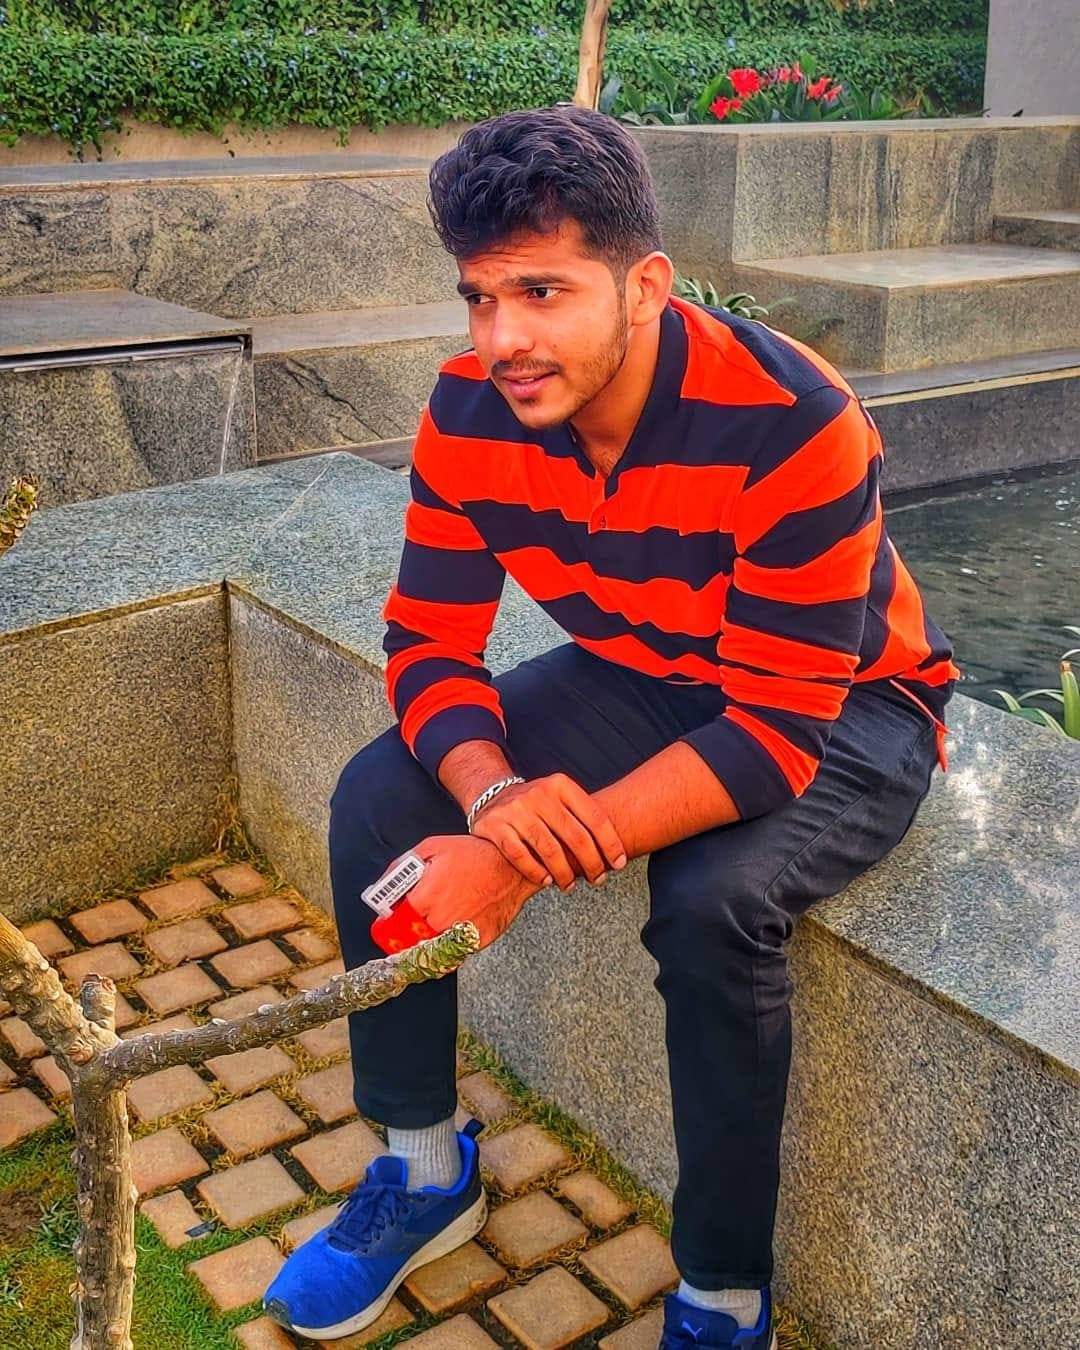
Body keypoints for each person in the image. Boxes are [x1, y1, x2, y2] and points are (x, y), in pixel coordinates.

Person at [265, 105, 957, 1348]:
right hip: (645, 665)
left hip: (849, 703)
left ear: (644, 285)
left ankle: (724, 1292)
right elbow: (428, 643)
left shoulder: (795, 415)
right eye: (479, 298)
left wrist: (517, 860)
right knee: (380, 797)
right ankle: (426, 1167)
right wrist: (495, 797)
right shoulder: (469, 408)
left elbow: (774, 731)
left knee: (711, 902)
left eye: (542, 291)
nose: (503, 339)